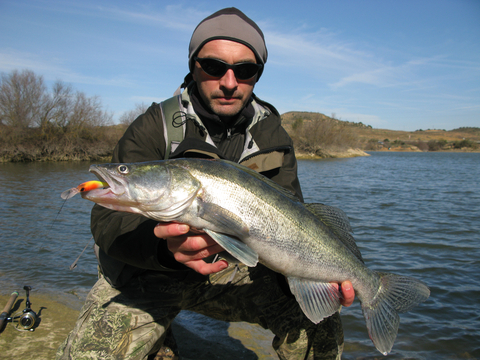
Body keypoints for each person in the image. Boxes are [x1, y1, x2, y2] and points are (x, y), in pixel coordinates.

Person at [56, 8, 358, 360]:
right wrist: (164, 253)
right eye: (214, 66)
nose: (229, 82)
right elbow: (107, 225)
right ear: (193, 66)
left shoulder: (273, 136)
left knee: (321, 327)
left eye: (245, 70)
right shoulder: (154, 126)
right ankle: (160, 338)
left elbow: (294, 223)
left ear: (257, 76)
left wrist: (322, 281)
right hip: (148, 275)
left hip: (233, 274)